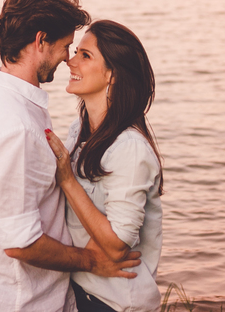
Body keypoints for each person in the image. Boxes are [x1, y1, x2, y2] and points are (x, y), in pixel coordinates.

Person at [0, 0, 141, 312]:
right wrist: (92, 261)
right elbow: (20, 243)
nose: (68, 58)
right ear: (41, 41)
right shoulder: (16, 127)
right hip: (17, 300)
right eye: (66, 46)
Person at [44, 20, 164, 312]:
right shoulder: (79, 131)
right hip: (81, 292)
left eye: (85, 56)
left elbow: (116, 245)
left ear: (113, 75)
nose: (70, 61)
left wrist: (67, 180)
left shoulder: (130, 148)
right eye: (75, 52)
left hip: (116, 302)